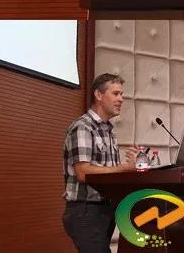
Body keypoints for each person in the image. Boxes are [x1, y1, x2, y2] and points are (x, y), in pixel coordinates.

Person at [62, 73, 139, 253]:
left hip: (105, 209)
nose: (121, 99)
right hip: (86, 211)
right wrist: (123, 168)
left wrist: (130, 166)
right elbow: (83, 173)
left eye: (122, 94)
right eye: (116, 93)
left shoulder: (108, 130)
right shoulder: (83, 127)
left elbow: (110, 173)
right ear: (98, 95)